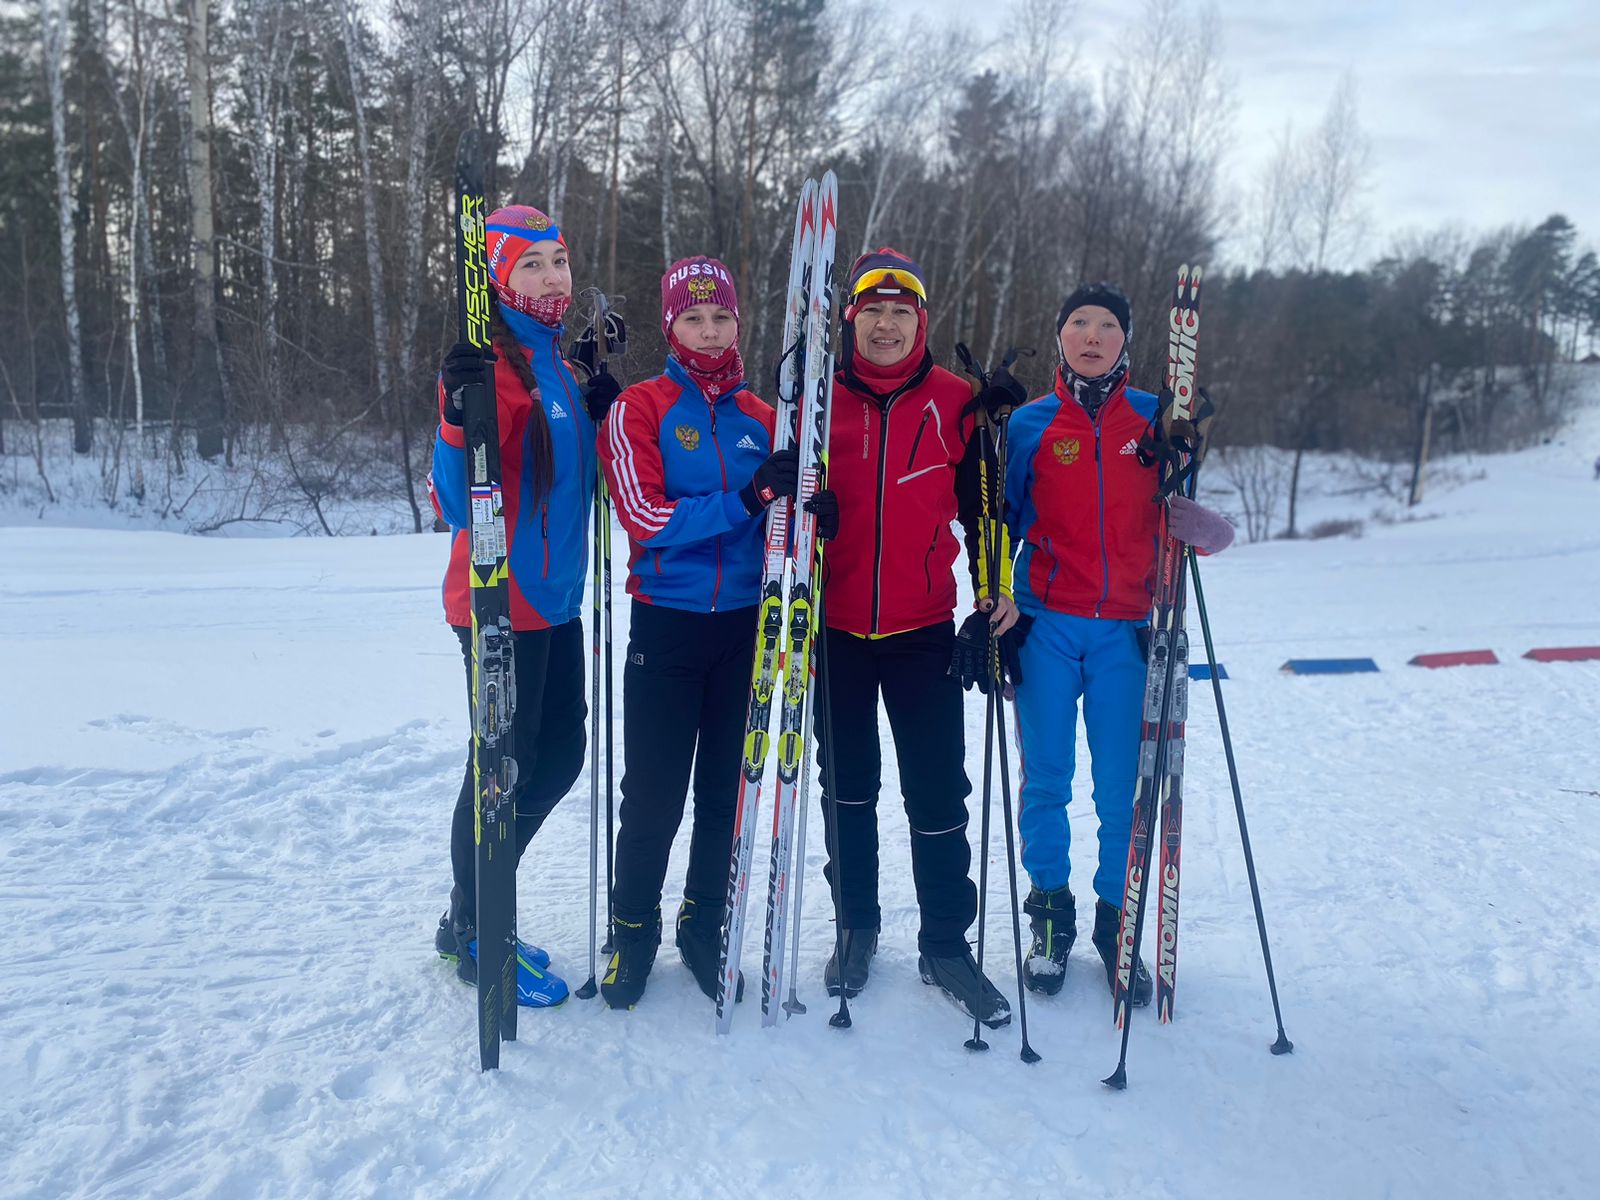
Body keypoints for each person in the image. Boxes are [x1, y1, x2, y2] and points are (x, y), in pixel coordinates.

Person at [1001, 282, 1234, 1001]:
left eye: (1107, 325)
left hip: (1129, 631)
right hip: (1045, 623)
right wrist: (997, 600)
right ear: (1061, 334)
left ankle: (1115, 917)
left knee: (1120, 792)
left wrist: (1203, 523)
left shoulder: (1154, 421)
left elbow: (1182, 513)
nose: (1093, 336)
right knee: (1044, 779)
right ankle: (1049, 915)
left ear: (1125, 340)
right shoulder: (1030, 424)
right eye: (1079, 323)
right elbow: (999, 517)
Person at [595, 256, 807, 1010]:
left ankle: (702, 923)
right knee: (652, 795)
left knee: (727, 792)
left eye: (721, 318)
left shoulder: (762, 418)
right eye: (693, 318)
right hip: (668, 628)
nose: (709, 331)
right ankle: (631, 931)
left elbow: (790, 523)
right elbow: (647, 520)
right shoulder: (641, 410)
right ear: (670, 325)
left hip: (747, 628)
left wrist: (805, 515)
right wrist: (746, 498)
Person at [812, 247, 1014, 1028]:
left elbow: (984, 511)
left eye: (901, 311)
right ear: (850, 319)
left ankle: (946, 944)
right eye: (873, 310)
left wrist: (995, 589)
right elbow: (778, 496)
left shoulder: (956, 401)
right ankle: (856, 926)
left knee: (937, 794)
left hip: (924, 626)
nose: (887, 323)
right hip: (832, 629)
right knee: (847, 788)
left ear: (920, 321)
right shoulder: (816, 403)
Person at [428, 204, 618, 1009]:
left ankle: (475, 908)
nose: (553, 278)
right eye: (531, 264)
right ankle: (477, 931)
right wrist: (451, 416)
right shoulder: (487, 370)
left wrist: (600, 406)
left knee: (557, 760)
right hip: (499, 603)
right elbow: (452, 498)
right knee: (501, 769)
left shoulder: (555, 369)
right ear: (498, 278)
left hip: (556, 600)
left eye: (560, 260)